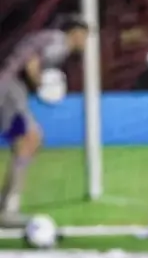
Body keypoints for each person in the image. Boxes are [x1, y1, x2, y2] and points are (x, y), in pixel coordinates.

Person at [0, 16, 88, 226]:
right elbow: (31, 62)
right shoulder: (58, 42)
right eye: (85, 36)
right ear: (75, 33)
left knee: (28, 141)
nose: (86, 42)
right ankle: (7, 210)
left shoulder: (47, 38)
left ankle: (7, 205)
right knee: (29, 139)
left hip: (11, 91)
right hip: (8, 91)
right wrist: (42, 84)